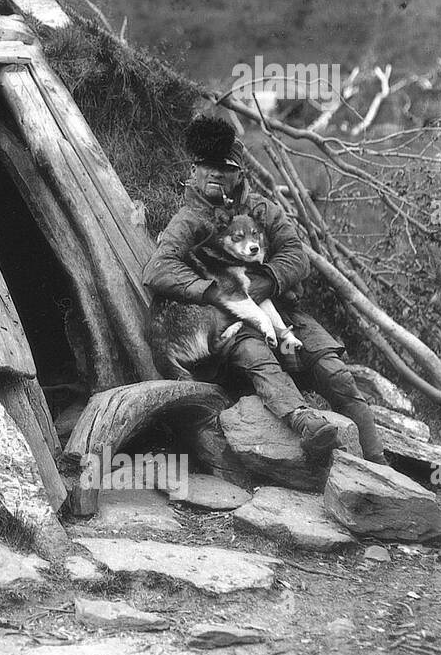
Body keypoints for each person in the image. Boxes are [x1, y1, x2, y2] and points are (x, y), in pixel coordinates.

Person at [143, 110, 385, 466]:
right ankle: (306, 425)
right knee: (260, 360)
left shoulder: (262, 210)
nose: (214, 173)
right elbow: (158, 269)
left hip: (281, 311)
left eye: (224, 167)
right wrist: (211, 293)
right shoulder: (188, 221)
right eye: (205, 165)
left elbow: (296, 255)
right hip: (231, 323)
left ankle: (379, 462)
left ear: (239, 173)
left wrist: (266, 281)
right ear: (193, 171)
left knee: (335, 372)